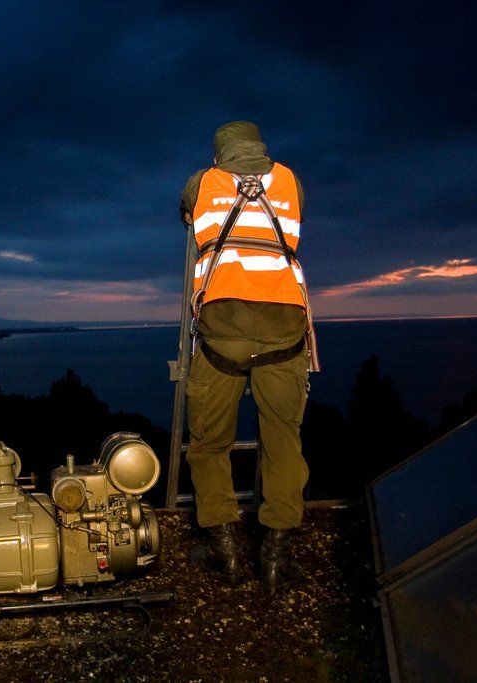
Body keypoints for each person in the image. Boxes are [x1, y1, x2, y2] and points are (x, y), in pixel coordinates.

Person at [179, 121, 317, 592]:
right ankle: (276, 553)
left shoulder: (202, 182)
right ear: (260, 147)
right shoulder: (290, 180)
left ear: (219, 155)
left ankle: (226, 549)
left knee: (208, 444)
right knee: (283, 442)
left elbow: (187, 215)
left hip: (222, 334)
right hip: (285, 330)